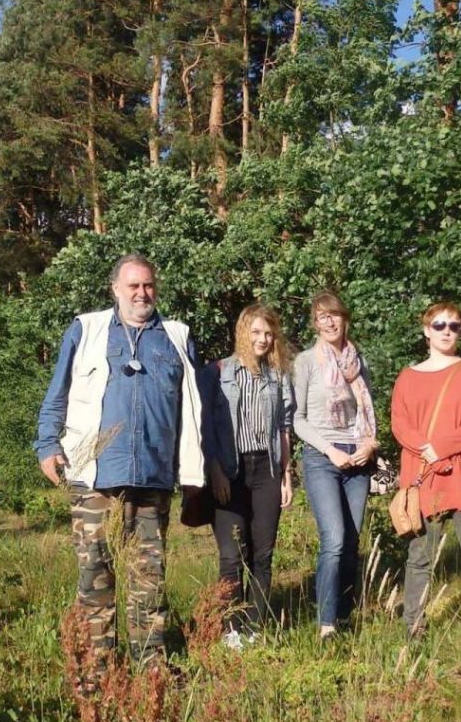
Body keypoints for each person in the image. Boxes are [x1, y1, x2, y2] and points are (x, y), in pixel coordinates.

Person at [34, 254, 205, 672]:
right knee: (95, 575)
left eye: (148, 285)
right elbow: (59, 390)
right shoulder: (86, 329)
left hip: (153, 476)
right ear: (115, 289)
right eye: (133, 286)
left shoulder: (176, 337)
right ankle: (100, 668)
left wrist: (197, 467)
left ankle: (151, 667)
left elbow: (196, 410)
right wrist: (46, 444)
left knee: (149, 577)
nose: (141, 294)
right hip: (94, 476)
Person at [392, 302, 461, 638]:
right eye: (439, 324)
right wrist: (428, 450)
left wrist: (437, 447)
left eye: (454, 326)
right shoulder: (408, 377)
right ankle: (414, 628)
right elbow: (399, 422)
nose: (446, 331)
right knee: (420, 556)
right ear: (426, 329)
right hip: (425, 476)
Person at [199, 305, 294, 647]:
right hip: (231, 470)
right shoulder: (219, 372)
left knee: (262, 554)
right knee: (231, 554)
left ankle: (256, 627)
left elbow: (284, 427)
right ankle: (230, 628)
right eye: (255, 332)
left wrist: (286, 474)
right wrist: (215, 469)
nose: (263, 339)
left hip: (266, 470)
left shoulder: (278, 375)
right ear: (242, 332)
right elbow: (205, 426)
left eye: (268, 333)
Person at [294, 292, 378, 640]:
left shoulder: (359, 363)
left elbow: (368, 415)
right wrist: (331, 451)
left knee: (353, 541)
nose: (328, 322)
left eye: (334, 315)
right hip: (322, 458)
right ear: (315, 324)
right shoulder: (305, 362)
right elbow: (297, 420)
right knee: (334, 538)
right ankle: (326, 624)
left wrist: (369, 444)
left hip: (358, 459)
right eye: (321, 317)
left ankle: (345, 617)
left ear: (345, 319)